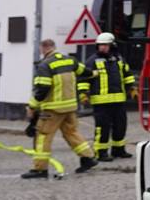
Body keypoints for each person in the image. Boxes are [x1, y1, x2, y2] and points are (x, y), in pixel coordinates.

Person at [24, 39, 96, 179]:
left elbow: (42, 89)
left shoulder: (45, 65)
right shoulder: (70, 60)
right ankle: (88, 158)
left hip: (53, 109)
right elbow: (85, 72)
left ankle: (39, 169)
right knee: (72, 133)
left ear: (43, 48)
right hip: (70, 107)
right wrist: (97, 73)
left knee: (43, 137)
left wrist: (32, 106)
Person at [83, 31, 137, 161]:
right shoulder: (92, 61)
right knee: (103, 129)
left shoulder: (119, 59)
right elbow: (83, 79)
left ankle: (118, 150)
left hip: (119, 100)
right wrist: (83, 94)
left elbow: (127, 75)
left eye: (105, 45)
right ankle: (101, 153)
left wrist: (132, 89)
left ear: (112, 45)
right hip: (101, 103)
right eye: (100, 45)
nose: (102, 47)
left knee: (120, 126)